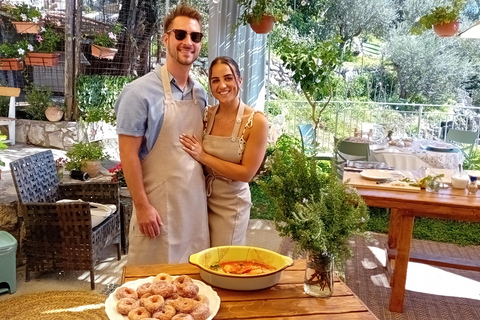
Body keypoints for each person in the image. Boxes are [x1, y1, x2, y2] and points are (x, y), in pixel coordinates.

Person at [114, 3, 209, 265]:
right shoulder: (138, 93)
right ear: (166, 38)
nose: (188, 42)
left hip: (194, 210)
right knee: (152, 291)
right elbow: (128, 154)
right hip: (157, 211)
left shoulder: (200, 94)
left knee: (194, 291)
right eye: (180, 35)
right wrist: (142, 207)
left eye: (195, 36)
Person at [179, 56, 269, 246]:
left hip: (231, 205)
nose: (222, 85)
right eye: (215, 80)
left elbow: (246, 174)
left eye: (228, 78)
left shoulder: (256, 122)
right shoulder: (206, 115)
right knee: (199, 257)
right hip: (201, 199)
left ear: (239, 80)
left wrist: (203, 156)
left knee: (224, 262)